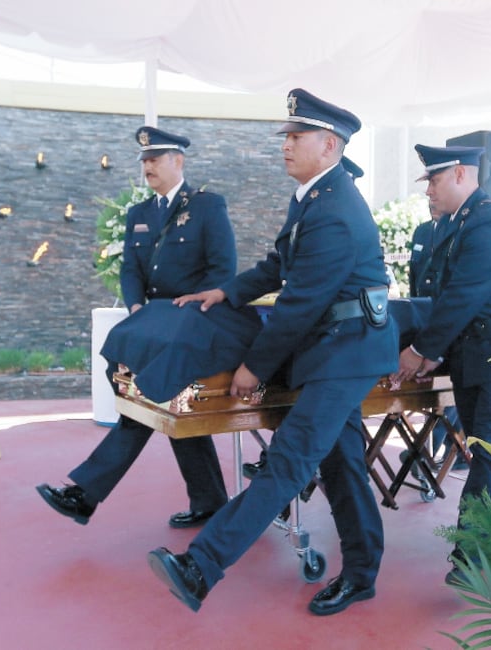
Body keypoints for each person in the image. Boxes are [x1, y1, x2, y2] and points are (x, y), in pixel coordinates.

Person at [147, 88, 398, 616]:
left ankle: (201, 566)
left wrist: (253, 367)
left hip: (346, 351)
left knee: (288, 461)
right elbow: (277, 266)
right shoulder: (314, 197)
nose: (285, 145)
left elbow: (299, 304)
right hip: (337, 349)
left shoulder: (333, 211)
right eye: (287, 136)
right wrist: (227, 292)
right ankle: (361, 574)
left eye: (296, 136)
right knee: (342, 465)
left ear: (329, 146)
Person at [36, 126, 235, 529]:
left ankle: (86, 495)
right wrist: (136, 305)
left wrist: (194, 304)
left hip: (190, 328)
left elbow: (223, 271)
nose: (147, 166)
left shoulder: (207, 206)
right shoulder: (139, 215)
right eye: (143, 160)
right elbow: (131, 269)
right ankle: (210, 502)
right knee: (168, 407)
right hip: (152, 326)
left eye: (154, 159)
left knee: (145, 403)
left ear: (177, 161)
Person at [391, 144, 491, 584]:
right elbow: (443, 297)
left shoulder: (489, 222)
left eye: (435, 181)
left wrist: (423, 352)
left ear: (460, 174)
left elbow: (462, 297)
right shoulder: (461, 224)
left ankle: (472, 555)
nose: (429, 192)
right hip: (478, 356)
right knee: (488, 453)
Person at [407, 204, 467, 470]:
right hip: (424, 320)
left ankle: (436, 449)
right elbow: (414, 278)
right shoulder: (421, 232)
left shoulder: (462, 232)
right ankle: (427, 451)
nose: (430, 199)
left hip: (450, 323)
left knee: (452, 390)